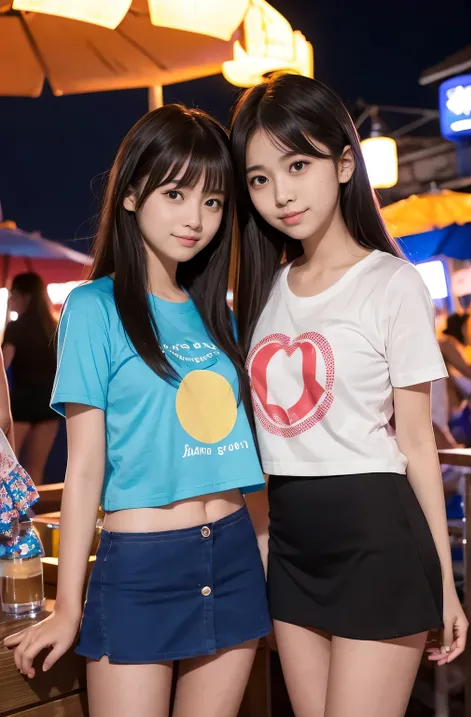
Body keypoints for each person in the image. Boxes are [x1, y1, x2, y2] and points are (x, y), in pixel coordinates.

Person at [4, 105, 271, 717]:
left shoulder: (220, 317)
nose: (196, 218)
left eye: (212, 201)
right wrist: (68, 606)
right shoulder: (94, 308)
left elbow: (244, 461)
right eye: (176, 193)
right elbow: (85, 470)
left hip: (233, 555)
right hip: (141, 570)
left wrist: (262, 563)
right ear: (130, 196)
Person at [229, 73, 468, 717]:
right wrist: (261, 549)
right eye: (258, 178)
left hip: (376, 535)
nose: (280, 194)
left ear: (342, 164)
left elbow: (418, 443)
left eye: (297, 164)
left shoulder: (392, 283)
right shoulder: (264, 290)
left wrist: (445, 585)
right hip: (291, 541)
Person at [2, 273, 59, 483]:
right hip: (49, 404)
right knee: (36, 469)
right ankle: (33, 515)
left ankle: (10, 516)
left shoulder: (16, 328)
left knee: (7, 468)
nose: (10, 301)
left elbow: (4, 364)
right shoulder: (53, 327)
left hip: (21, 405)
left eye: (13, 295)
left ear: (25, 296)